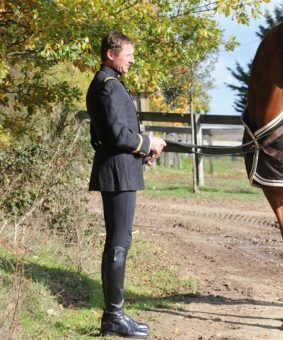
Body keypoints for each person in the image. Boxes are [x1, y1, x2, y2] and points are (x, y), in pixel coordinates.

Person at [86, 32, 166, 338]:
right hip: (117, 173)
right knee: (119, 243)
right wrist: (149, 142)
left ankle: (114, 315)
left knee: (119, 242)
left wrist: (144, 151)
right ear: (111, 54)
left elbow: (109, 135)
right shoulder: (108, 86)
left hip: (121, 168)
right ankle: (113, 318)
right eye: (128, 54)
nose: (132, 60)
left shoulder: (107, 84)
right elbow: (118, 135)